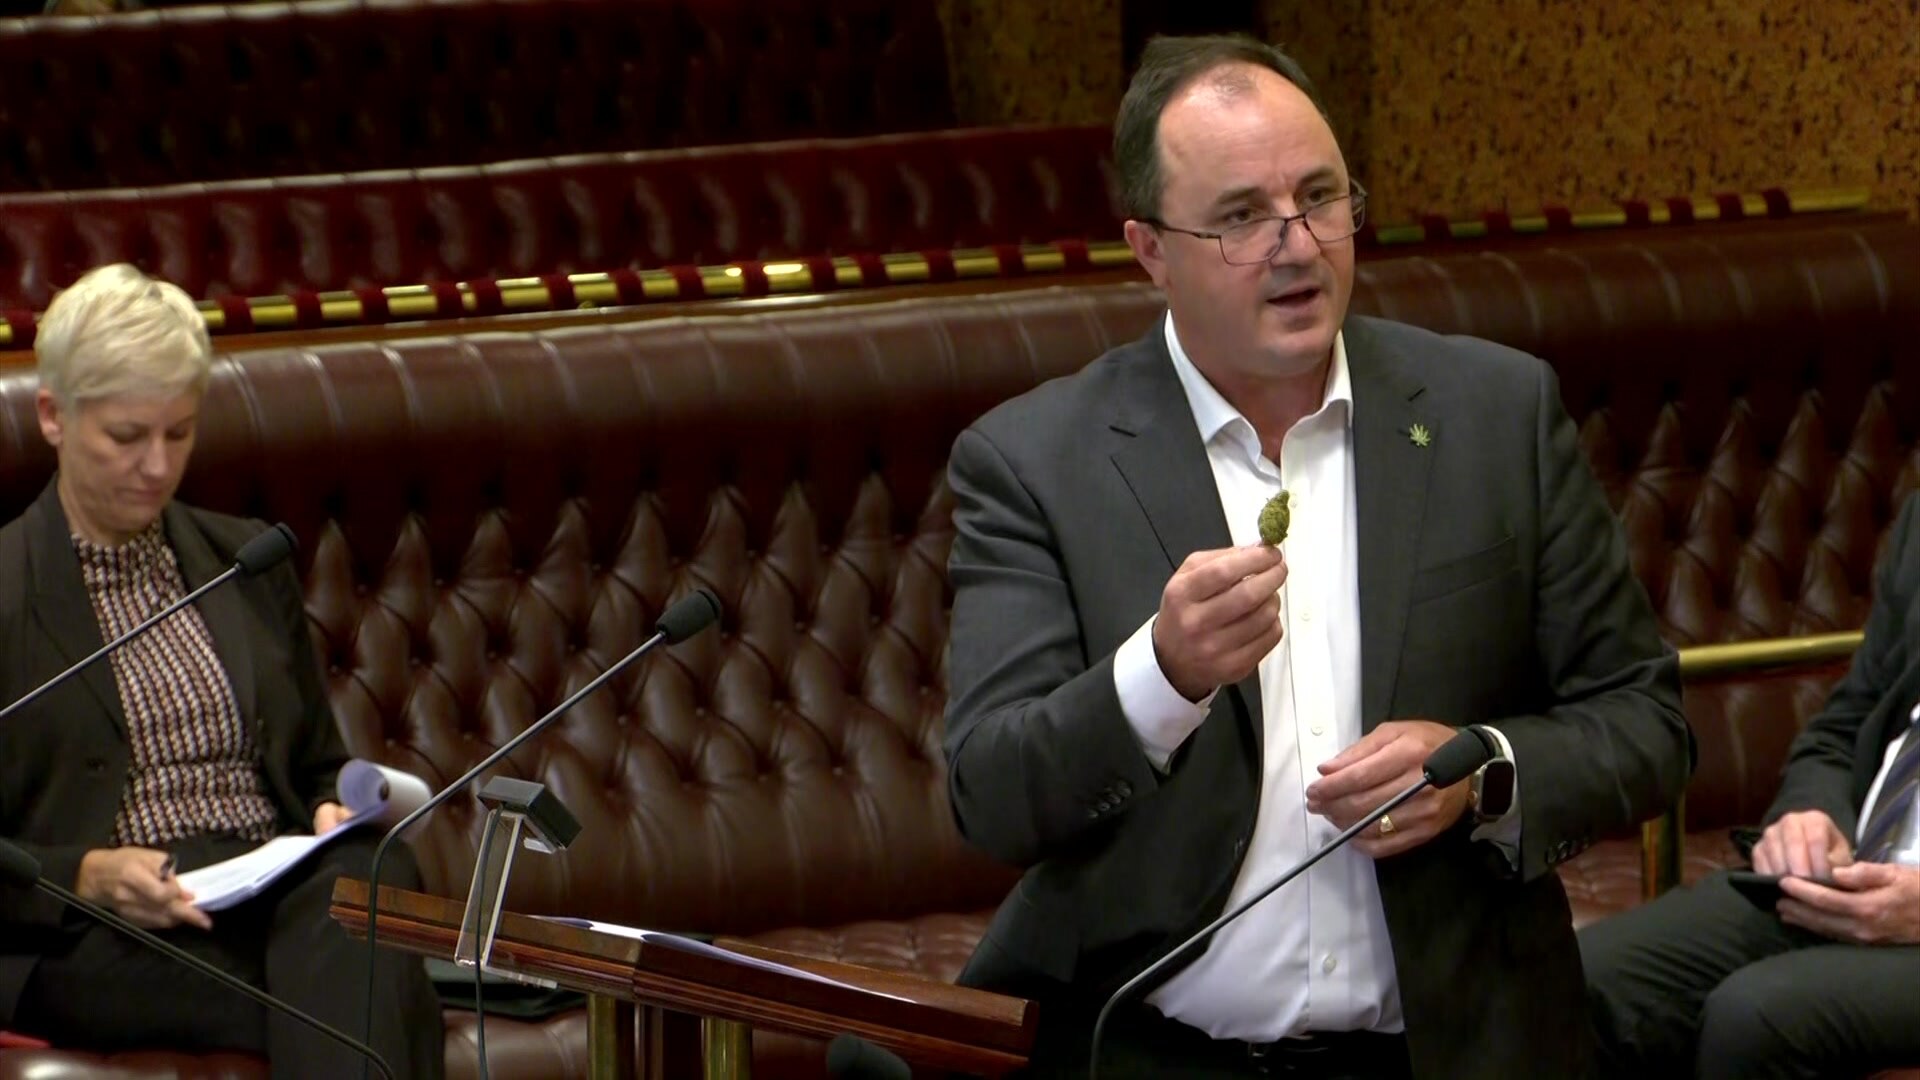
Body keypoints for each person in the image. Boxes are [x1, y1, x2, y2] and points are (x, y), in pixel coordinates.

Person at [940, 34, 1691, 1079]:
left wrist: (1482, 772)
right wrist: (1162, 673)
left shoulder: (1492, 414)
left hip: (1449, 1049)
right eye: (1242, 217)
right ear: (1150, 249)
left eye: (1320, 198)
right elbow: (993, 792)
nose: (1297, 245)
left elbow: (1645, 720)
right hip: (1159, 1052)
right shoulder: (1034, 463)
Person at [0, 264, 444, 1078]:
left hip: (264, 894)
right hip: (101, 933)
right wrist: (89, 875)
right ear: (54, 417)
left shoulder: (243, 559)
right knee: (367, 993)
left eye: (181, 432)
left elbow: (315, 762)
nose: (158, 465)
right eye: (127, 437)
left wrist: (329, 807)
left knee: (366, 870)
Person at [1582, 496, 1920, 1079]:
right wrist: (1812, 814)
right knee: (1582, 981)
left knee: (1757, 1016)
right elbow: (1843, 727)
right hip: (1841, 884)